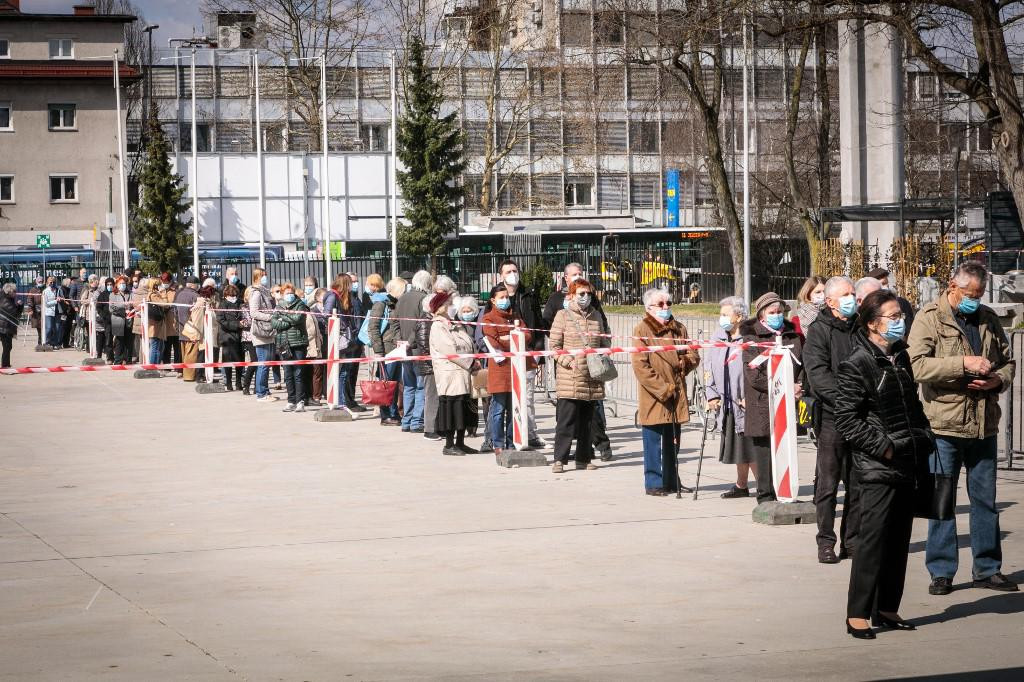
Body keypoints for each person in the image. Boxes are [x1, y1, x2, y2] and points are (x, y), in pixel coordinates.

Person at [908, 260, 1019, 595]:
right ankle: (941, 571)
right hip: (944, 424)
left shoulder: (986, 318)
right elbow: (916, 365)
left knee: (985, 500)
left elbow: (1008, 361)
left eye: (979, 294)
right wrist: (963, 363)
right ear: (952, 286)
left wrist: (997, 380)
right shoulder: (930, 316)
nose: (974, 299)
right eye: (969, 293)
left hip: (983, 423)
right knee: (942, 501)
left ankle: (987, 568)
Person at [833, 289, 932, 639]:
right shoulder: (856, 362)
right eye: (893, 317)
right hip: (877, 467)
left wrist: (924, 434)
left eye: (900, 314)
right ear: (874, 324)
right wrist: (884, 448)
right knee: (872, 542)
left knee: (898, 539)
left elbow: (912, 405)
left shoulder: (900, 357)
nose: (900, 321)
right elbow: (846, 419)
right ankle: (857, 614)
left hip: (908, 459)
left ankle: (887, 608)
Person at [803, 275, 863, 564]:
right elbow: (818, 375)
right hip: (832, 417)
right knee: (827, 484)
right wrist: (846, 401)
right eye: (846, 295)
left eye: (853, 293)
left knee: (857, 483)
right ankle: (825, 541)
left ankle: (851, 541)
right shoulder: (819, 330)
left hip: (862, 418)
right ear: (830, 301)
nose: (852, 298)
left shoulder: (861, 327)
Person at [631, 288, 701, 495]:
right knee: (653, 442)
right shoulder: (642, 330)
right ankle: (653, 482)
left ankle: (672, 480)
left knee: (673, 441)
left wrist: (685, 362)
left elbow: (693, 353)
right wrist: (663, 389)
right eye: (661, 305)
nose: (666, 308)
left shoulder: (679, 328)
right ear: (649, 308)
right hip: (655, 394)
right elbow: (640, 366)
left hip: (676, 391)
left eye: (668, 303)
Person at [544, 262, 614, 461]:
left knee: (591, 417)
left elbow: (603, 333)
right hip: (570, 372)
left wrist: (604, 348)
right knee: (566, 418)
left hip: (592, 373)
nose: (585, 297)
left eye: (588, 294)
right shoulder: (559, 307)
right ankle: (561, 458)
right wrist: (567, 360)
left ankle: (592, 452)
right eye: (581, 294)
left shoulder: (595, 311)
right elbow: (552, 339)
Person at [741, 292, 804, 505]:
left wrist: (797, 386)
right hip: (762, 402)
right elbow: (753, 374)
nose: (777, 315)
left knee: (785, 447)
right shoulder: (752, 338)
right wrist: (783, 387)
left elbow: (801, 365)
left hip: (788, 402)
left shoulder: (792, 336)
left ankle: (784, 491)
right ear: (761, 315)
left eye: (779, 312)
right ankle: (765, 494)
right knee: (765, 450)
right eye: (772, 312)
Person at [706, 296, 755, 498]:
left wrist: (751, 398)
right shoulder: (718, 337)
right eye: (721, 314)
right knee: (738, 448)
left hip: (745, 402)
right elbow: (708, 366)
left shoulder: (750, 337)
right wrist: (711, 395)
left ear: (739, 316)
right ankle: (741, 485)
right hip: (727, 403)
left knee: (751, 449)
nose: (722, 318)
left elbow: (756, 370)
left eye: (726, 314)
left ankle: (766, 489)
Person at [496, 259, 547, 449]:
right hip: (504, 357)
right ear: (501, 275)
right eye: (508, 271)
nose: (512, 274)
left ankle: (530, 435)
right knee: (503, 400)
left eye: (514, 270)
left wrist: (538, 351)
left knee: (528, 397)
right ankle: (501, 437)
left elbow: (539, 325)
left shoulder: (528, 296)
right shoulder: (496, 297)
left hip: (528, 353)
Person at [482, 285, 534, 459]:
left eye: (506, 297)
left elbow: (527, 335)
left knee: (514, 409)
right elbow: (493, 341)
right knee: (498, 409)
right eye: (501, 297)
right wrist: (514, 336)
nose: (505, 300)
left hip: (516, 370)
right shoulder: (489, 319)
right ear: (493, 300)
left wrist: (510, 337)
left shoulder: (515, 316)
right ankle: (497, 443)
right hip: (499, 370)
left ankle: (512, 441)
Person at [428, 293, 479, 455]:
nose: (452, 307)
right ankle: (449, 445)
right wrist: (470, 362)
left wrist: (473, 358)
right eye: (449, 304)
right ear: (441, 307)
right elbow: (450, 349)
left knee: (464, 409)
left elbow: (468, 343)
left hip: (463, 374)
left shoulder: (454, 324)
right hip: (450, 375)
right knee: (452, 409)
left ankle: (461, 442)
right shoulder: (438, 326)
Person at [416, 275, 459, 441]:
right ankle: (429, 428)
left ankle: (437, 426)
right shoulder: (426, 322)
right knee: (432, 396)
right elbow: (425, 344)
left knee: (437, 396)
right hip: (430, 365)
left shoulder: (432, 321)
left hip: (435, 364)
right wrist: (432, 361)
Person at [396, 270, 432, 433]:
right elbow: (421, 325)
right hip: (417, 349)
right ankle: (416, 421)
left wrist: (401, 342)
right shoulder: (423, 299)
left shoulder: (402, 298)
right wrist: (409, 343)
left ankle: (406, 421)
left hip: (404, 349)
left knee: (408, 386)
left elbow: (394, 323)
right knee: (420, 386)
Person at [368, 277, 404, 424]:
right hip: (386, 348)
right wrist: (378, 350)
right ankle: (386, 414)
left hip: (396, 349)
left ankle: (393, 412)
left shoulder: (395, 304)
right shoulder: (381, 303)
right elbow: (373, 327)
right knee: (385, 383)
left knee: (393, 383)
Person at [272, 282, 311, 412]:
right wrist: (287, 319)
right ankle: (291, 400)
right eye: (287, 293)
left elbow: (297, 319)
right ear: (282, 294)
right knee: (288, 374)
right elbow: (274, 323)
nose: (289, 295)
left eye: (291, 293)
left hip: (298, 343)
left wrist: (283, 316)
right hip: (283, 343)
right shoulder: (278, 306)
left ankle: (300, 401)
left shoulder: (300, 304)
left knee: (298, 373)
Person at [249, 268, 277, 402]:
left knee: (268, 363)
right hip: (261, 332)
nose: (265, 277)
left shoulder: (265, 292)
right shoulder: (256, 293)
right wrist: (270, 317)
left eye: (266, 275)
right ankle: (261, 393)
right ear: (257, 278)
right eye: (263, 276)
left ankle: (266, 390)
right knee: (263, 363)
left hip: (268, 332)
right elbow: (253, 313)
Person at [866, 266, 916, 332]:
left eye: (886, 283)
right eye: (882, 284)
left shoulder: (902, 303)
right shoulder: (867, 307)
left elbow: (910, 330)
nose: (886, 287)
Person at [180, 284, 212, 382]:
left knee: (199, 355)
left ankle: (200, 376)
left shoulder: (199, 302)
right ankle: (199, 376)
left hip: (199, 332)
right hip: (199, 333)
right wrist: (198, 335)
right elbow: (198, 319)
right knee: (199, 355)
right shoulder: (202, 302)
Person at [217, 284, 244, 391]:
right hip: (227, 337)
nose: (233, 297)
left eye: (235, 295)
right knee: (227, 361)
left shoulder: (240, 303)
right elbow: (221, 320)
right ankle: (228, 383)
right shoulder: (222, 305)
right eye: (231, 295)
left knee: (240, 361)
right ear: (226, 295)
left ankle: (238, 383)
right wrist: (237, 324)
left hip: (239, 336)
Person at [173, 277, 200, 377]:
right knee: (191, 353)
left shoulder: (179, 294)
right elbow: (197, 314)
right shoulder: (195, 296)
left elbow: (174, 311)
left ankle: (184, 373)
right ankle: (189, 376)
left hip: (181, 328)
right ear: (193, 285)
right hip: (192, 329)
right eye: (197, 284)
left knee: (184, 353)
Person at [108, 276, 132, 363]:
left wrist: (128, 309)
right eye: (121, 283)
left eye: (124, 283)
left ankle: (128, 359)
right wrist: (123, 308)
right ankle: (118, 360)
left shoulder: (129, 294)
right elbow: (111, 308)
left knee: (128, 341)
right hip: (118, 320)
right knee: (119, 341)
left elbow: (131, 305)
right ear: (117, 285)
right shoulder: (113, 294)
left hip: (128, 320)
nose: (123, 285)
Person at [0, 282, 23, 368]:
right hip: (4, 327)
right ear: (9, 292)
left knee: (8, 346)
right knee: (7, 346)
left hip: (6, 327)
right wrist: (20, 305)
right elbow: (16, 314)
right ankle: (5, 365)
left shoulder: (5, 297)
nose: (16, 293)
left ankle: (6, 364)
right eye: (14, 291)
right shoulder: (7, 302)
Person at [95, 277, 114, 362]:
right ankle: (110, 358)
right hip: (107, 321)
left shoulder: (116, 294)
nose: (110, 286)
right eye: (108, 285)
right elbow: (98, 307)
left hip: (117, 320)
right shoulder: (102, 295)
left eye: (111, 284)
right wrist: (104, 316)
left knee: (118, 340)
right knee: (108, 339)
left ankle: (118, 357)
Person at [42, 276, 62, 349]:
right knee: (49, 328)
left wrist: (60, 298)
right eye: (51, 282)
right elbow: (46, 304)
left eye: (54, 282)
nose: (52, 283)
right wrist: (56, 301)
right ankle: (47, 342)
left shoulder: (58, 290)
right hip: (49, 312)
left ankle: (55, 343)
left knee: (57, 329)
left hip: (57, 312)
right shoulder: (45, 291)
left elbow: (62, 297)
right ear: (48, 283)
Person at [26, 276, 43, 346]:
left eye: (41, 281)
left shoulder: (44, 288)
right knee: (39, 327)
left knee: (45, 327)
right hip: (36, 311)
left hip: (45, 310)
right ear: (36, 282)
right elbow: (29, 300)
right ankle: (40, 341)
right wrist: (30, 309)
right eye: (39, 282)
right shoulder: (32, 290)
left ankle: (44, 341)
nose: (40, 283)